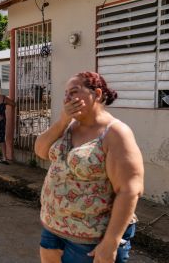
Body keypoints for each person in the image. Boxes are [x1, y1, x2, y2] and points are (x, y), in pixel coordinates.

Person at [34, 72, 144, 263]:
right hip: (54, 227)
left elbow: (129, 190)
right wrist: (62, 121)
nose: (67, 98)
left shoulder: (115, 133)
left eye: (74, 92)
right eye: (65, 93)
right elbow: (41, 151)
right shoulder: (69, 126)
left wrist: (111, 241)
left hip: (91, 238)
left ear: (98, 94)